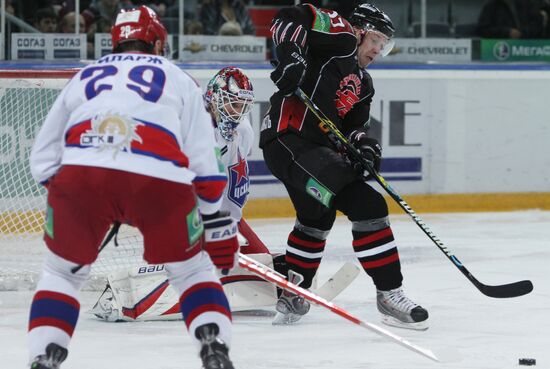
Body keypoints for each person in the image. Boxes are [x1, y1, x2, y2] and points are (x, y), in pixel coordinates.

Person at [27, 6, 238, 369]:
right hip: (160, 180)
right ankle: (213, 346)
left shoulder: (84, 77)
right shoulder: (177, 77)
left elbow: (42, 159)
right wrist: (215, 222)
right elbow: (205, 163)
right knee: (191, 272)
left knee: (61, 273)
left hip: (81, 178)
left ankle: (45, 355)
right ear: (157, 43)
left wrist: (76, 197)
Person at [259, 3, 429, 329]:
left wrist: (363, 145)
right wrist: (291, 55)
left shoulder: (363, 83)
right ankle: (389, 294)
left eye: (385, 45)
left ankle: (294, 291)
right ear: (360, 29)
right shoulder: (341, 38)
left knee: (315, 218)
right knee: (367, 203)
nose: (379, 50)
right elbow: (292, 16)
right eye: (377, 39)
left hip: (306, 149)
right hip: (289, 138)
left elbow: (352, 127)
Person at [89, 66, 285, 322]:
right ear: (215, 99)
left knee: (262, 261)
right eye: (232, 105)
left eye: (241, 106)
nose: (237, 113)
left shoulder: (242, 131)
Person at [477, 0, 548, 39]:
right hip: (499, 48)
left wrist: (522, 33)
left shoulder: (528, 3)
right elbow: (482, 30)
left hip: (528, 47)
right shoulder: (490, 6)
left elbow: (538, 25)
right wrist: (507, 32)